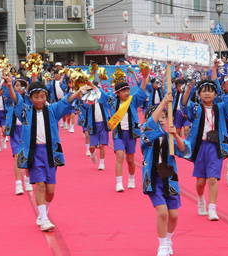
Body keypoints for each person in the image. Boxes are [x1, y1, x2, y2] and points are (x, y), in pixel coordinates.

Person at [8, 80, 86, 232]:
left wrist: (78, 92)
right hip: (33, 153)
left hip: (50, 153)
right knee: (40, 185)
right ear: (31, 98)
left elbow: (65, 102)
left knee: (50, 191)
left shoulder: (52, 110)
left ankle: (44, 211)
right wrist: (9, 86)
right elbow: (16, 100)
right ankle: (43, 219)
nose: (39, 100)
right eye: (36, 97)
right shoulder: (25, 111)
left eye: (42, 96)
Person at [182, 80, 228, 221]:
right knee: (200, 182)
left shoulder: (221, 108)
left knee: (213, 179)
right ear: (199, 94)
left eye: (210, 91)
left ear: (216, 94)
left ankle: (212, 208)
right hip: (200, 147)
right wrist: (188, 89)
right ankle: (201, 198)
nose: (207, 93)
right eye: (204, 91)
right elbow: (185, 106)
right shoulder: (196, 108)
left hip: (215, 147)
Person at [141, 94, 190, 256]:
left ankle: (168, 239)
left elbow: (184, 150)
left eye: (164, 116)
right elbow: (150, 125)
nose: (162, 119)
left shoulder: (170, 135)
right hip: (153, 178)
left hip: (170, 178)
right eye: (159, 117)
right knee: (162, 212)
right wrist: (164, 102)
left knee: (174, 215)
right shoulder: (147, 134)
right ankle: (162, 245)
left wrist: (175, 134)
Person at [102, 68, 150, 192]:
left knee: (130, 159)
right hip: (118, 134)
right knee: (119, 156)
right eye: (123, 91)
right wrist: (91, 83)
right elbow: (101, 93)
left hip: (131, 134)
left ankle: (131, 178)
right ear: (117, 93)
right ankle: (118, 183)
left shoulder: (132, 100)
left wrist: (144, 77)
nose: (127, 92)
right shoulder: (112, 102)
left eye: (128, 89)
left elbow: (142, 90)